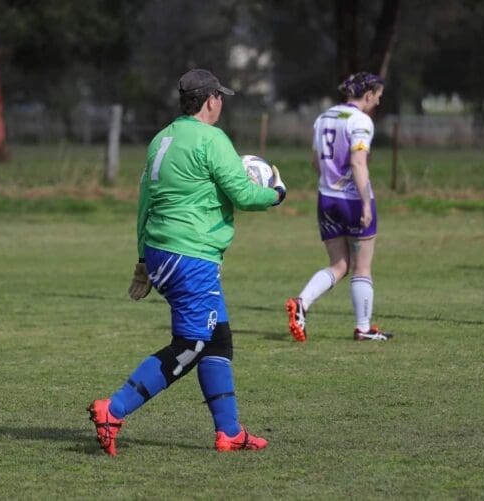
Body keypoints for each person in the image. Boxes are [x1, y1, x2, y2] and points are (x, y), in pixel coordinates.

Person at [88, 69, 287, 456]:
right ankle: (113, 409)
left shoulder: (162, 138)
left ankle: (229, 431)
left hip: (165, 252)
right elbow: (245, 194)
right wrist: (276, 193)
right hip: (190, 256)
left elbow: (145, 202)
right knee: (192, 343)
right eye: (220, 97)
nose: (222, 103)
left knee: (218, 340)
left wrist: (144, 260)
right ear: (210, 100)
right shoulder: (211, 139)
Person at [285, 72, 393, 343]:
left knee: (339, 265)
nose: (378, 102)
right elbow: (358, 163)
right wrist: (366, 202)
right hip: (353, 200)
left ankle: (302, 303)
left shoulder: (324, 117)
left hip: (326, 198)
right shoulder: (361, 122)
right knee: (362, 267)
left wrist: (331, 181)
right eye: (378, 96)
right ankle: (364, 328)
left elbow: (315, 162)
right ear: (367, 95)